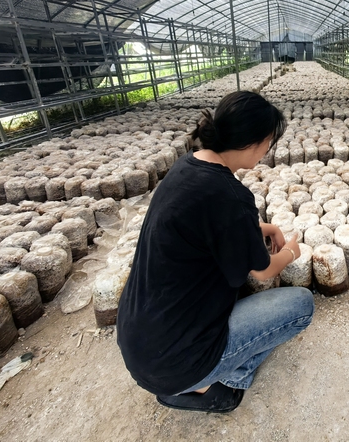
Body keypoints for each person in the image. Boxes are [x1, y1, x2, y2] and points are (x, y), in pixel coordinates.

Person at [117, 91, 314, 413]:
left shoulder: (186, 168)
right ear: (259, 140)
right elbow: (263, 270)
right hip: (176, 362)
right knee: (300, 305)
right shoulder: (230, 196)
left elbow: (210, 229)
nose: (268, 151)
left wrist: (263, 228)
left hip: (141, 342)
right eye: (269, 143)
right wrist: (291, 252)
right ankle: (217, 383)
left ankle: (190, 379)